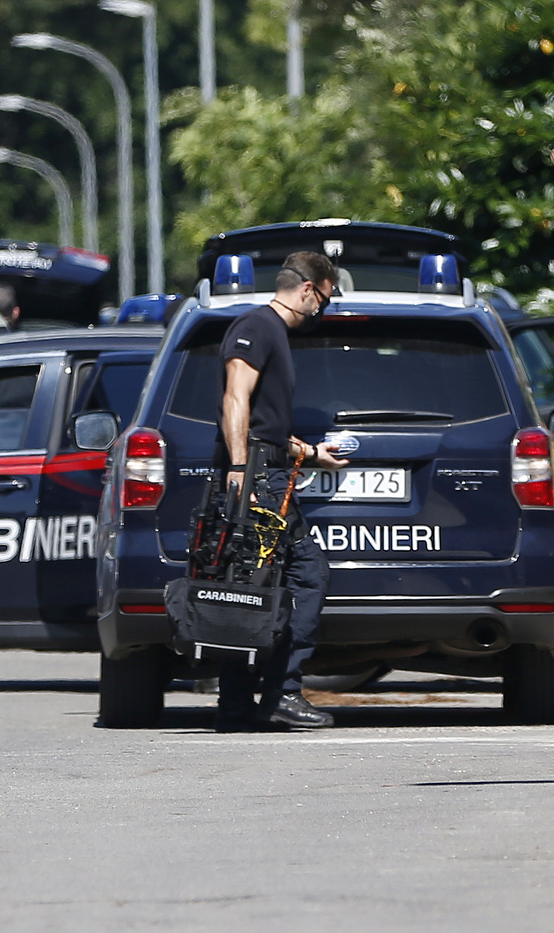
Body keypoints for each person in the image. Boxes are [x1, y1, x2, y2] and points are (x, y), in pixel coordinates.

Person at [213, 250, 348, 732]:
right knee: (306, 575)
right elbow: (236, 397)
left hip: (265, 472)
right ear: (308, 289)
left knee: (246, 586)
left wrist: (311, 455)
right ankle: (282, 694)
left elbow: (266, 426)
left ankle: (235, 704)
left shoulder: (272, 333)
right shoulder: (258, 327)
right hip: (256, 481)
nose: (322, 311)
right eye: (325, 300)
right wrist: (239, 469)